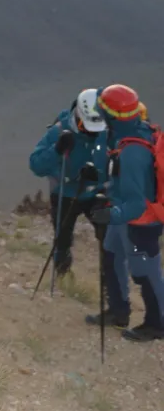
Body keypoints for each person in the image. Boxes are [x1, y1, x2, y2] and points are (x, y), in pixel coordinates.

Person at [88, 84, 164, 342]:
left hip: (140, 223)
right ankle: (118, 312)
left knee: (146, 274)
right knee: (111, 257)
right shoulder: (134, 132)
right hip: (124, 217)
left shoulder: (133, 153)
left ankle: (157, 324)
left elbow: (137, 204)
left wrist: (111, 215)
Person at [29, 88, 109, 277]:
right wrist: (57, 150)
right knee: (62, 240)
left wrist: (100, 174)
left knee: (109, 238)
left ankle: (110, 280)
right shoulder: (59, 131)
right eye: (86, 126)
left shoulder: (106, 132)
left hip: (96, 194)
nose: (90, 132)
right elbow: (36, 165)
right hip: (64, 193)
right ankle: (63, 274)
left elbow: (116, 162)